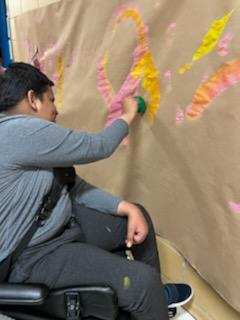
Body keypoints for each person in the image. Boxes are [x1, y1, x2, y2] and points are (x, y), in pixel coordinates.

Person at [0, 63, 192, 320]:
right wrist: (128, 114)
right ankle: (149, 296)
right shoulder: (16, 131)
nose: (56, 109)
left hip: (62, 227)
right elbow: (98, 146)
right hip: (33, 255)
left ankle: (151, 301)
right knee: (142, 283)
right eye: (51, 100)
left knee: (137, 217)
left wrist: (127, 207)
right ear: (33, 99)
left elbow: (71, 186)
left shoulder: (35, 143)